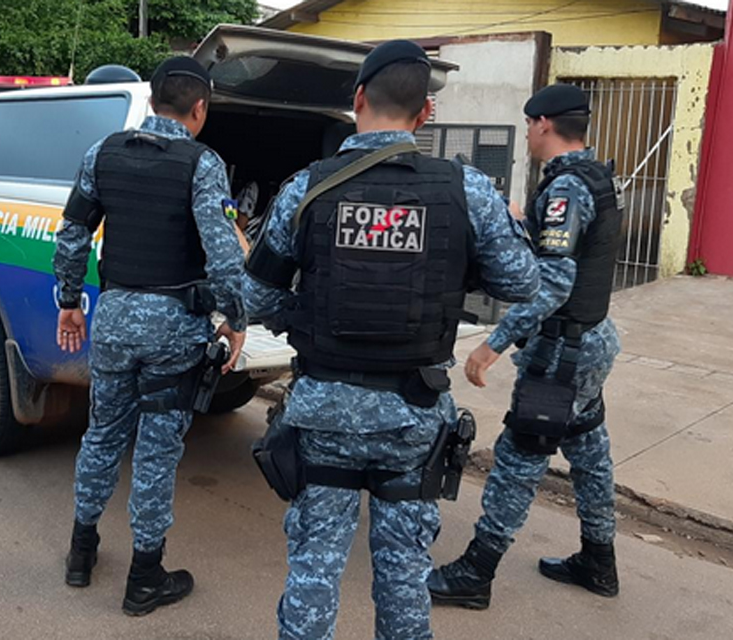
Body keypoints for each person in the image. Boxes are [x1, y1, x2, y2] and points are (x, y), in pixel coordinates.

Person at [244, 40, 539, 640]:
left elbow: (257, 298)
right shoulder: (468, 191)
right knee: (404, 576)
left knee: (313, 574)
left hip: (324, 414)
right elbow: (523, 281)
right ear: (425, 113)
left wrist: (306, 312)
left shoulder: (308, 187)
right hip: (413, 418)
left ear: (357, 100)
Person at [52, 56, 247, 616]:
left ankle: (80, 553)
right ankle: (144, 577)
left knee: (102, 435)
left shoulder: (103, 153)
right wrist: (235, 318)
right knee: (157, 453)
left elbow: (70, 238)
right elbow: (224, 252)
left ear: (151, 101)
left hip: (111, 322)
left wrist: (70, 303)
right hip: (174, 333)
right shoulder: (202, 163)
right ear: (199, 109)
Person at [427, 84, 624, 609]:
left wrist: (492, 344)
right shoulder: (595, 175)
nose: (529, 137)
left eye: (529, 126)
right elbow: (574, 255)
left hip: (563, 350)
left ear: (542, 124)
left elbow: (555, 283)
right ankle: (599, 560)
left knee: (518, 457)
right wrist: (521, 224)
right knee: (588, 450)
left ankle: (477, 571)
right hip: (592, 340)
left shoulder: (564, 190)